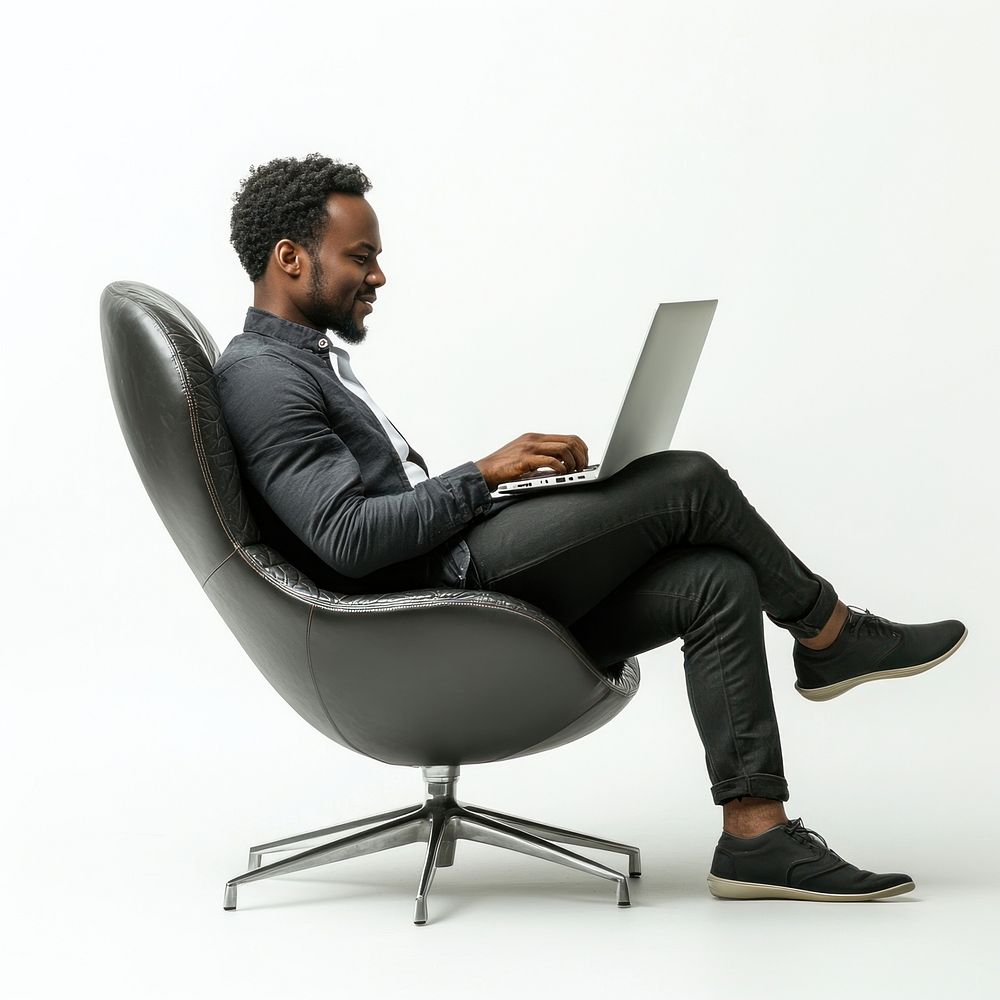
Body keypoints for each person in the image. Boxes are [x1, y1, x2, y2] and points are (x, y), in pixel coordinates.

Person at [214, 153, 968, 903]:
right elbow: (347, 538)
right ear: (290, 258)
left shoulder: (307, 363)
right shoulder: (263, 376)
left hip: (450, 569)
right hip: (429, 602)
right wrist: (484, 475)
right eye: (362, 257)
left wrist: (507, 487)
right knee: (688, 481)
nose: (377, 277)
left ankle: (756, 835)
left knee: (714, 580)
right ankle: (829, 634)